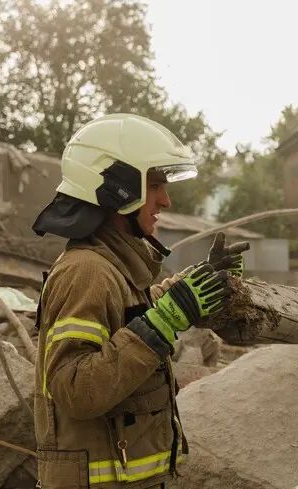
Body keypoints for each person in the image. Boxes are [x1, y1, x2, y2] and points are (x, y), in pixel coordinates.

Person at [30, 113, 248, 488]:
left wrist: (196, 283)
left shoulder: (113, 267)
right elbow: (74, 389)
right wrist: (162, 324)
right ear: (119, 188)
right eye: (156, 185)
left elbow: (136, 317)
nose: (165, 200)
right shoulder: (87, 272)